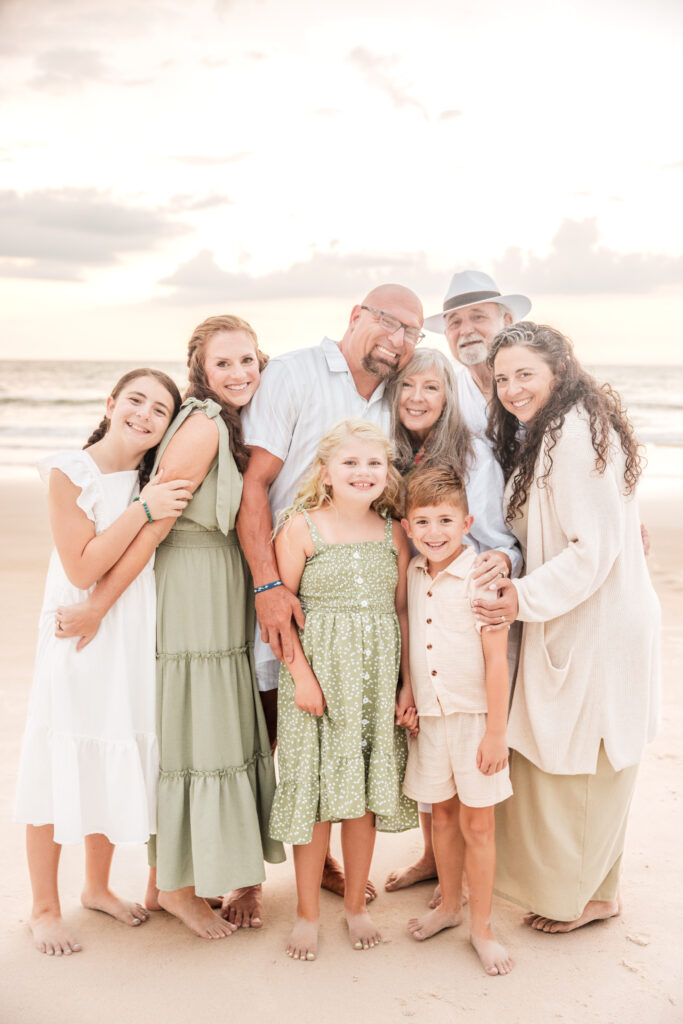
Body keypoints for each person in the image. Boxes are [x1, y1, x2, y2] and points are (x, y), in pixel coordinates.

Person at [55, 316, 285, 940]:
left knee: (209, 727)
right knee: (192, 730)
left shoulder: (222, 421)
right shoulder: (204, 422)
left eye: (248, 361)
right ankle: (176, 888)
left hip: (216, 584)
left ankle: (178, 879)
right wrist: (99, 605)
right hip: (188, 586)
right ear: (201, 372)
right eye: (224, 364)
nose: (239, 374)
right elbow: (154, 522)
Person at [235, 283, 424, 920]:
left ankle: (332, 865)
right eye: (389, 323)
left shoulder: (398, 398)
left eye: (412, 333)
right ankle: (246, 875)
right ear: (355, 316)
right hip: (284, 575)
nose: (399, 341)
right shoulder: (292, 373)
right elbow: (255, 485)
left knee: (343, 739)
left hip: (359, 598)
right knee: (265, 724)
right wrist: (267, 586)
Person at [473, 321, 660, 933]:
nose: (511, 389)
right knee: (582, 751)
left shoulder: (574, 434)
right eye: (501, 378)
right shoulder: (555, 427)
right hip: (590, 612)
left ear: (559, 369)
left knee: (585, 756)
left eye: (525, 374)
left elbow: (593, 548)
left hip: (598, 621)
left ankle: (589, 898)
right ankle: (595, 891)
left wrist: (518, 598)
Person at [15, 369, 190, 956]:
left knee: (112, 742)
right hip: (78, 632)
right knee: (61, 747)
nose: (144, 415)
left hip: (132, 629)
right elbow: (84, 567)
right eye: (135, 400)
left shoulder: (153, 477)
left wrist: (147, 500)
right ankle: (43, 906)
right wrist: (143, 509)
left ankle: (95, 887)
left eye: (160, 410)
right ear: (111, 403)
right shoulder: (71, 470)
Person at [268, 419, 418, 961]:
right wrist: (302, 677)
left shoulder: (393, 531)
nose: (362, 472)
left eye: (373, 463)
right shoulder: (300, 526)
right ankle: (307, 913)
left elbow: (401, 610)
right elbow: (280, 615)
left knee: (360, 800)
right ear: (326, 471)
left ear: (387, 473)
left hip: (376, 680)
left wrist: (406, 686)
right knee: (312, 797)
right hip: (317, 680)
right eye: (350, 463)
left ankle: (355, 905)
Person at [384, 344, 522, 898]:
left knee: (471, 759)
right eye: (408, 387)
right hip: (419, 595)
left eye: (431, 388)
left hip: (472, 600)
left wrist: (504, 563)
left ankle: (467, 875)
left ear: (448, 396)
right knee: (432, 756)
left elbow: (497, 534)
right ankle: (432, 859)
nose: (418, 398)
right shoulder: (392, 454)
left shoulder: (473, 455)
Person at [401, 467, 513, 976]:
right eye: (422, 521)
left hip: (474, 722)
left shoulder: (482, 580)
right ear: (406, 527)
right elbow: (410, 636)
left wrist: (496, 733)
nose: (434, 532)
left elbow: (496, 661)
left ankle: (482, 928)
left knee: (478, 824)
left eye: (446, 520)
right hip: (431, 718)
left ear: (467, 522)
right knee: (441, 816)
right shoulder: (414, 574)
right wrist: (408, 689)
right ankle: (449, 905)